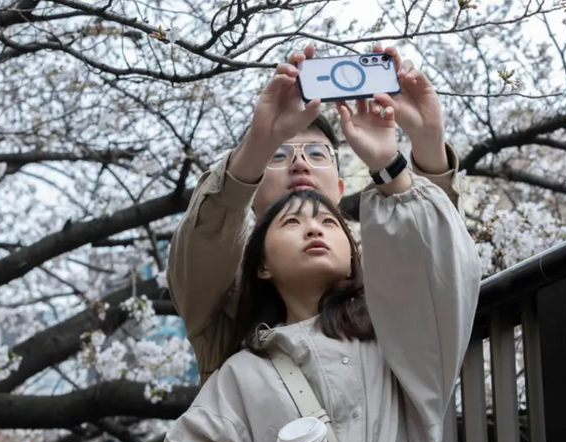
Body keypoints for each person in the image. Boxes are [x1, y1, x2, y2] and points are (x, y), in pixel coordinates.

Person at [157, 179, 481, 442]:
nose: (314, 230)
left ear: (353, 258)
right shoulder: (242, 374)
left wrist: (392, 172)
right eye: (292, 222)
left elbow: (445, 273)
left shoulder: (394, 337)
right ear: (263, 266)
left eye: (328, 222)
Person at [166, 43, 465, 385]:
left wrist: (426, 141)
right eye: (278, 155)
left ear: (339, 189)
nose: (300, 163)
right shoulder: (225, 294)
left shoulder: (380, 274)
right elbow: (205, 237)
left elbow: (441, 264)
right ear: (251, 192)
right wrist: (260, 141)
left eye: (316, 153)